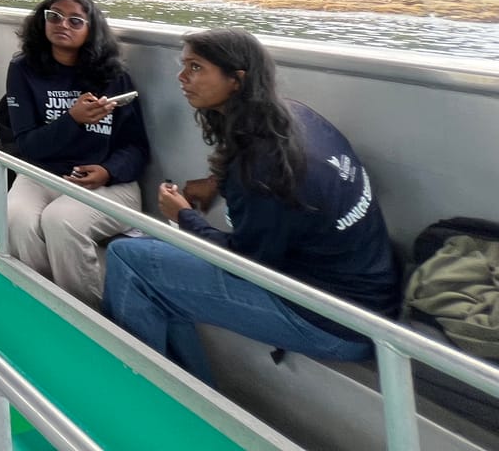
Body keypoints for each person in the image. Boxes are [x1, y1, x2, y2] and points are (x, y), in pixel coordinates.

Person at [104, 29, 399, 384]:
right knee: (150, 257)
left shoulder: (262, 170)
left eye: (196, 68)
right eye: (184, 66)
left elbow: (245, 265)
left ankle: (142, 389)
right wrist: (216, 182)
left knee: (128, 258)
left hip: (333, 321)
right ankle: (191, 393)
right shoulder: (295, 117)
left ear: (236, 80)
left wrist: (183, 217)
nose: (182, 78)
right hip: (371, 296)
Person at [2, 0, 150, 308]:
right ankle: (43, 301)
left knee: (61, 221)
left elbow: (136, 147)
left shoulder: (113, 77)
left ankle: (87, 313)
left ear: (90, 28)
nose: (62, 24)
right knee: (16, 217)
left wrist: (108, 171)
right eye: (53, 16)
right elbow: (28, 144)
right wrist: (73, 120)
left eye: (75, 20)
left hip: (109, 182)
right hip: (43, 173)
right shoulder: (24, 70)